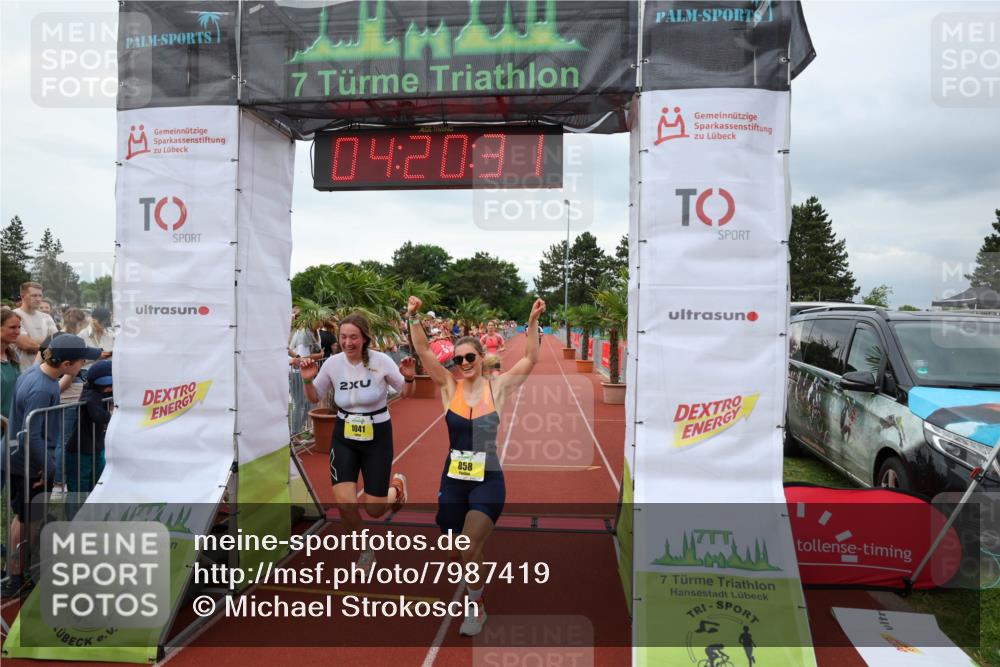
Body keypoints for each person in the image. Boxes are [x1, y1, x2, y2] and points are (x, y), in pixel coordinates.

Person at [406, 294, 545, 637]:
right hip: (453, 479)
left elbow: (530, 357)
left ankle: (476, 603)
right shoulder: (448, 387)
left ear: (482, 357)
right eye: (459, 359)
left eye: (470, 357)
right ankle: (475, 575)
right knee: (458, 550)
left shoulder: (498, 387)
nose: (464, 363)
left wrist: (531, 322)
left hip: (488, 478)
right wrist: (412, 317)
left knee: (469, 544)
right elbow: (423, 351)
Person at [297, 312, 416, 568]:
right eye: (343, 337)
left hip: (377, 436)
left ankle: (396, 489)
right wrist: (307, 379)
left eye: (353, 337)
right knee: (345, 504)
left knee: (375, 509)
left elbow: (407, 393)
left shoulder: (381, 361)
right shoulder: (332, 364)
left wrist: (408, 377)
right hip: (345, 435)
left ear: (364, 338)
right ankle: (365, 551)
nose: (347, 342)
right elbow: (314, 397)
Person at [1, 334, 101, 598]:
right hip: (29, 463)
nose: (83, 365)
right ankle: (15, 577)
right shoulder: (43, 388)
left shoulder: (36, 374)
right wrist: (48, 468)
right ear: (66, 364)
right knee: (27, 519)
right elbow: (31, 435)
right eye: (81, 361)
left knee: (26, 517)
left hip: (24, 459)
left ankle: (19, 570)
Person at [65, 359, 113, 497]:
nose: (109, 388)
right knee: (79, 490)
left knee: (97, 485)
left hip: (96, 447)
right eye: (106, 385)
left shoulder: (102, 393)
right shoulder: (90, 395)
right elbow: (99, 416)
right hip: (80, 450)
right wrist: (112, 414)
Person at [13, 282, 58, 371]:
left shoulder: (47, 317)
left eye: (40, 296)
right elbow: (26, 345)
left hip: (46, 371)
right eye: (34, 296)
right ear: (23, 296)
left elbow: (57, 342)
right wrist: (48, 343)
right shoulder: (14, 315)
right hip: (22, 371)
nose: (38, 299)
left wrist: (32, 339)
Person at [1, 308, 22, 429]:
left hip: (11, 427)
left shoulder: (13, 357)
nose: (17, 332)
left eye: (19, 327)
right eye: (12, 327)